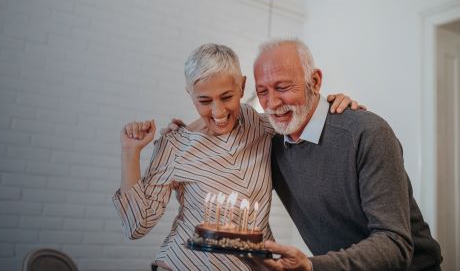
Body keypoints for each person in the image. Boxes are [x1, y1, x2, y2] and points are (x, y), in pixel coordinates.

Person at [112, 43, 357, 271]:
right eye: (204, 101)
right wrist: (129, 152)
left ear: (241, 86)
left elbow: (302, 119)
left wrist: (334, 108)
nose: (218, 111)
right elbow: (137, 226)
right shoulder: (175, 145)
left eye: (227, 97)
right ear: (190, 94)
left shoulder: (261, 126)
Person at [250, 38, 442, 271]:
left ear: (315, 81)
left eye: (282, 88)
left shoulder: (367, 133)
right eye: (262, 91)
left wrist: (312, 267)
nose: (272, 102)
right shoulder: (271, 146)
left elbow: (395, 243)